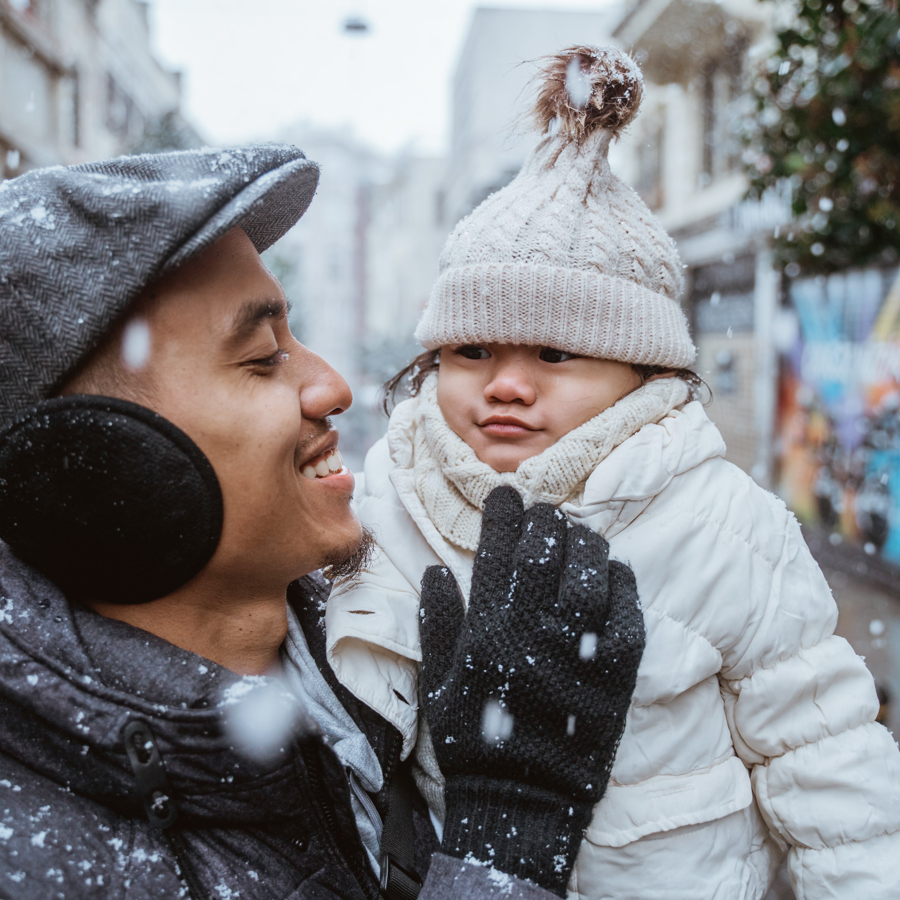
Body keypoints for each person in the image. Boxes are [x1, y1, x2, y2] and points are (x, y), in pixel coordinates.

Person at [324, 46, 900, 899]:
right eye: (471, 349)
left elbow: (821, 755)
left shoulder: (719, 521)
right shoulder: (393, 496)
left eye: (557, 353)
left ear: (642, 373)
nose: (506, 383)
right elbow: (350, 733)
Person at [0, 145, 644, 898]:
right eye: (263, 357)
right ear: (89, 462)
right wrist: (506, 841)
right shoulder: (39, 863)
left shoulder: (375, 651)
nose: (333, 386)